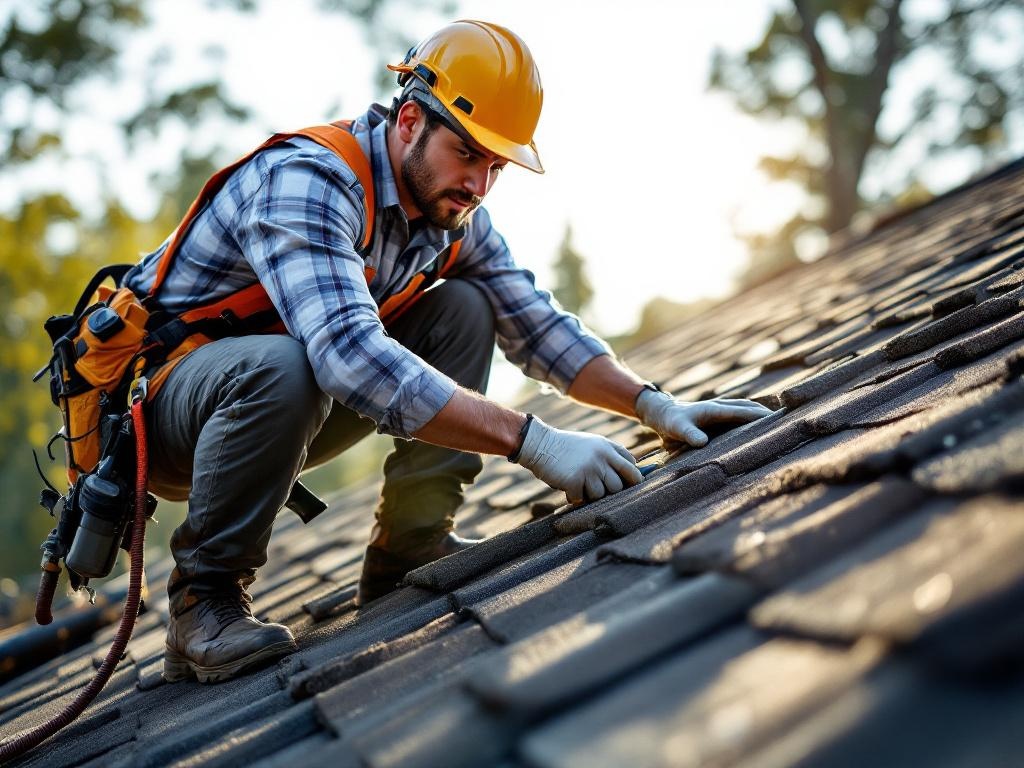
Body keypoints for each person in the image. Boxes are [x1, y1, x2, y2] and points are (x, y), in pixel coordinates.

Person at [124, 19, 773, 684]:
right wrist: (536, 442)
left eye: (496, 166)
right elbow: (348, 356)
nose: (480, 183)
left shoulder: (449, 213)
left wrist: (653, 405)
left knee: (467, 305)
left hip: (288, 404)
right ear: (410, 120)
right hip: (168, 416)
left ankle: (409, 544)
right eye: (468, 153)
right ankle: (202, 605)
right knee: (288, 362)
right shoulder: (309, 181)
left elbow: (536, 324)